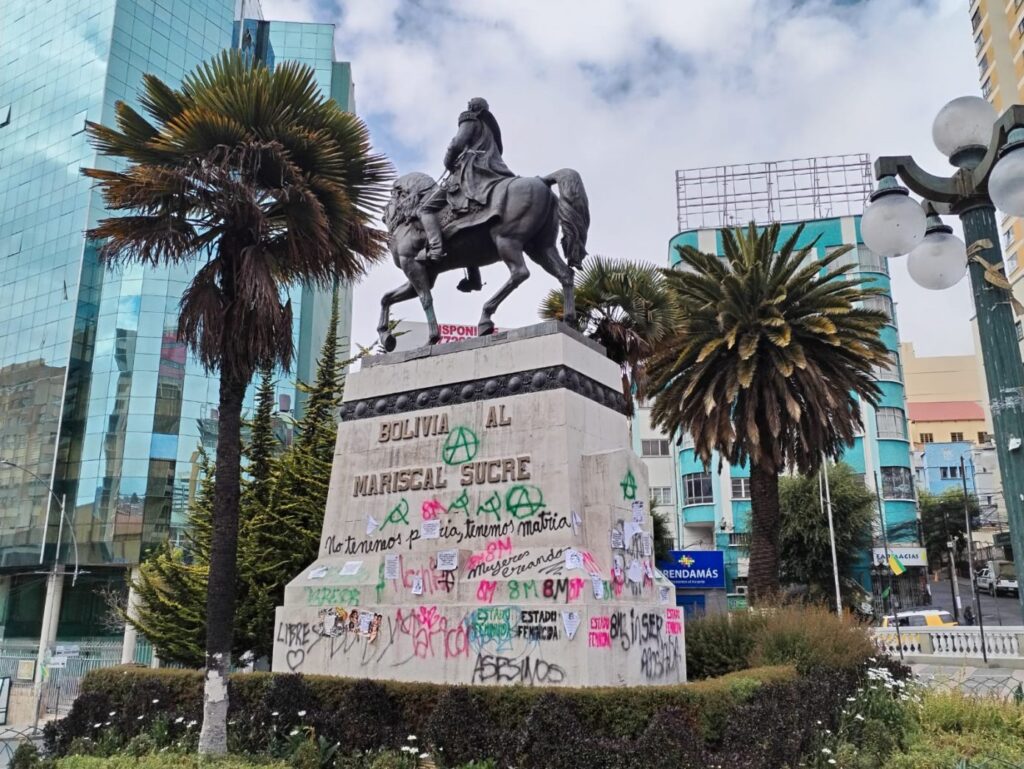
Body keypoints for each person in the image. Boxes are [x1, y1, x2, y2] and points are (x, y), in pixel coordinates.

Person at [417, 97, 514, 263]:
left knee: (424, 209)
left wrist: (448, 162)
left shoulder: (469, 119)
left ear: (472, 107)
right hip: (494, 172)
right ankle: (473, 276)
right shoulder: (490, 129)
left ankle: (436, 248)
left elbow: (456, 144)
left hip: (471, 171)